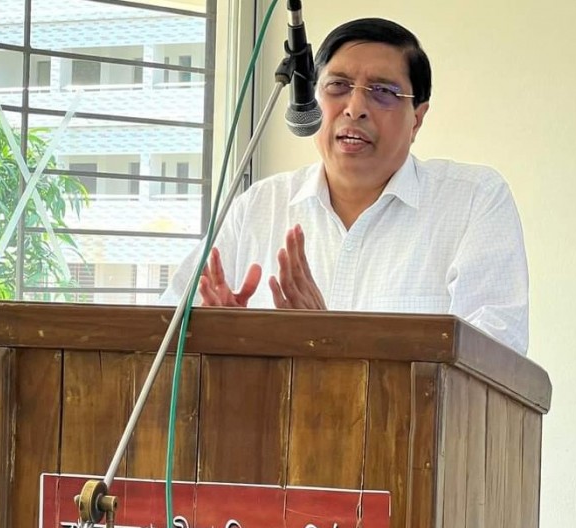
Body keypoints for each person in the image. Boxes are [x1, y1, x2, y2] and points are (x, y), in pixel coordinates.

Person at [160, 17, 529, 355]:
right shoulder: (258, 207)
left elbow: (495, 358)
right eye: (337, 86)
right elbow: (162, 330)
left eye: (382, 91)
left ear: (417, 119)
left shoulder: (473, 201)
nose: (354, 108)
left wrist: (329, 339)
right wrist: (219, 336)